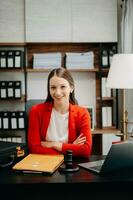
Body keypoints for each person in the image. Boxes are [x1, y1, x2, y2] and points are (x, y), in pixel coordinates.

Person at [28, 67, 92, 158]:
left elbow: (85, 151)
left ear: (71, 88)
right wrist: (70, 149)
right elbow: (34, 148)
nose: (58, 92)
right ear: (49, 89)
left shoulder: (83, 113)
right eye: (53, 87)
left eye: (63, 87)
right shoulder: (36, 111)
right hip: (45, 165)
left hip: (71, 167)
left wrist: (54, 144)